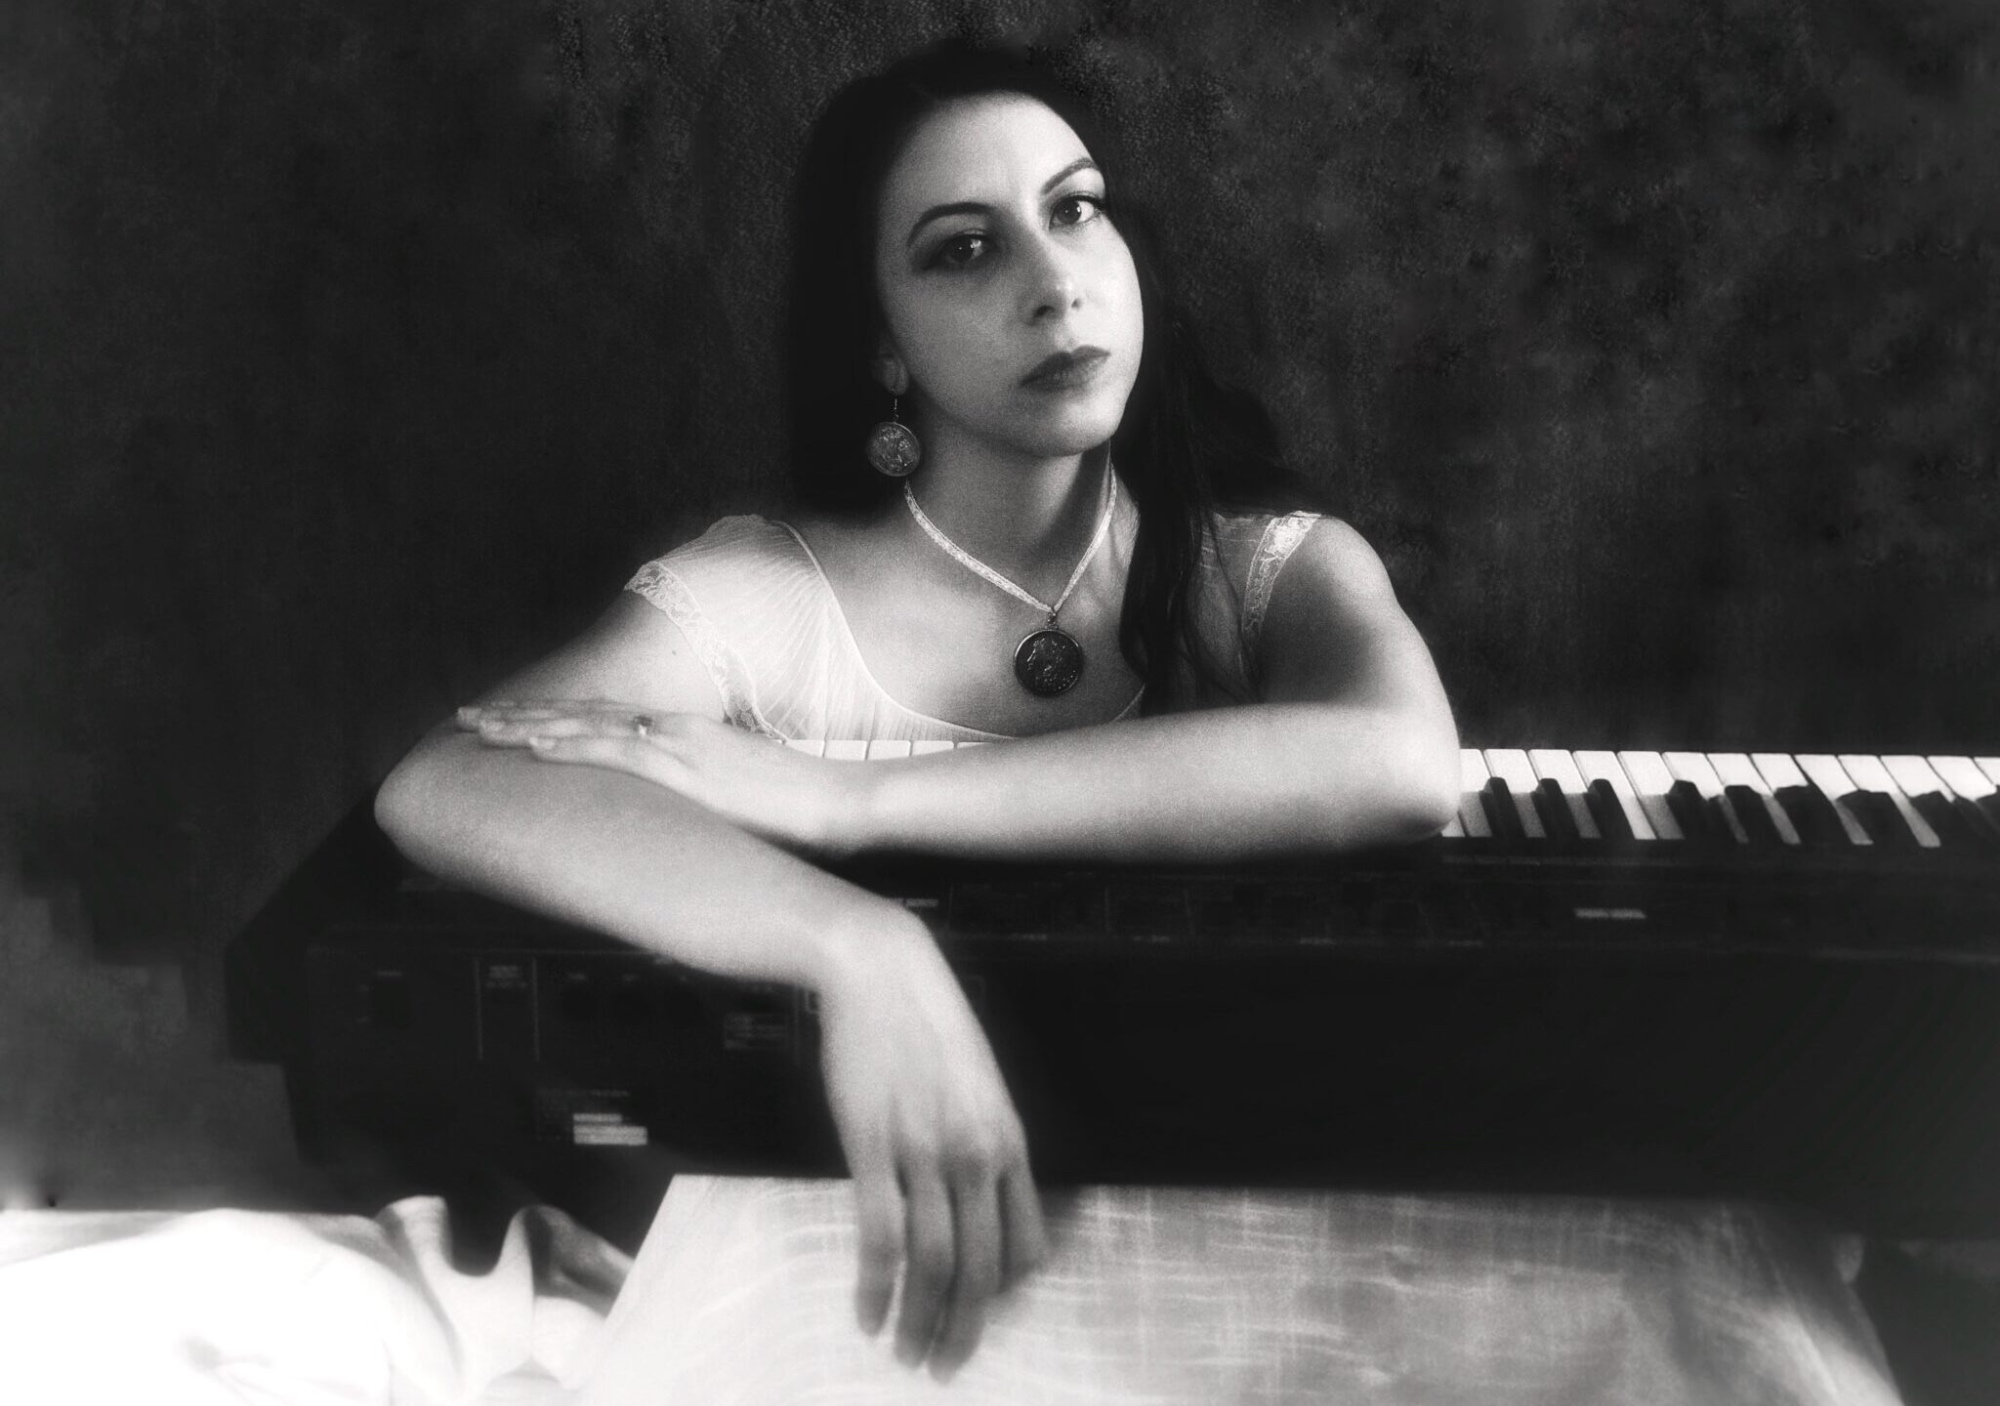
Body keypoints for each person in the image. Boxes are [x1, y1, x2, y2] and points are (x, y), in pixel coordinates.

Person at [375, 40, 1899, 1403]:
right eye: (966, 249)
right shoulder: (773, 596)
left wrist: (848, 804)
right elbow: (450, 781)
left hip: (1277, 1221)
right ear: (881, 340)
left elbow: (1396, 761)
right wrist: (853, 948)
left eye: (1079, 210)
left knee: (1694, 1282)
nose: (1057, 282)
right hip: (926, 1242)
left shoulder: (1265, 565)